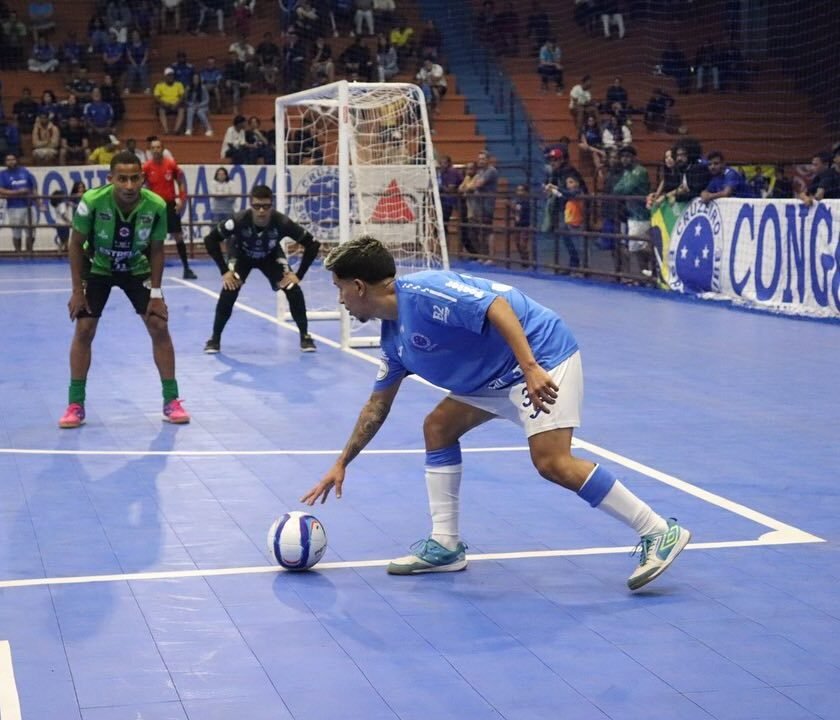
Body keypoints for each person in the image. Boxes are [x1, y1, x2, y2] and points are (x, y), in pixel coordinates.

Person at [301, 236, 691, 590]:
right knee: (438, 427)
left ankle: (658, 531)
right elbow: (377, 406)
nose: (339, 300)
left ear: (358, 286)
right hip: (491, 379)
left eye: (338, 288)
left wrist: (530, 367)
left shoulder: (425, 292)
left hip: (540, 357)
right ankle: (446, 545)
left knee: (552, 462)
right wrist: (342, 462)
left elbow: (497, 307)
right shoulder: (393, 340)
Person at [58, 151, 191, 429]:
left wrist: (156, 293)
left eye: (134, 179)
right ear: (111, 179)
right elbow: (75, 245)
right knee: (84, 329)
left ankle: (172, 400)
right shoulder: (92, 201)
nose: (129, 186)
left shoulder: (155, 205)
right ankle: (75, 404)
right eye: (122, 179)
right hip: (97, 267)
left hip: (136, 267)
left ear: (142, 178)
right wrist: (77, 289)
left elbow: (156, 249)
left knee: (159, 325)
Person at [202, 184, 320, 354]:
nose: (261, 211)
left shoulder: (282, 222)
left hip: (269, 257)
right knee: (229, 289)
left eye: (266, 206)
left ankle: (305, 336)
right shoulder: (238, 220)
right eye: (257, 207)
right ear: (251, 205)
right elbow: (210, 240)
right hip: (242, 256)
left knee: (293, 289)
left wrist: (298, 275)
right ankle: (215, 339)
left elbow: (313, 244)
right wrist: (224, 271)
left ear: (271, 206)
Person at [142, 137, 197, 279]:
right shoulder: (146, 167)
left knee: (178, 236)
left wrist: (182, 200)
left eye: (158, 147)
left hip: (169, 205)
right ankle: (148, 271)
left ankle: (186, 268)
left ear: (162, 149)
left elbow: (181, 182)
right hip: (154, 206)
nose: (155, 150)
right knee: (151, 239)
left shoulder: (171, 164)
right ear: (150, 150)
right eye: (153, 148)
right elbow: (140, 185)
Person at [0, 152, 38, 253]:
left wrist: (39, 202)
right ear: (5, 162)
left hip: (29, 205)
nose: (11, 161)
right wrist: (17, 192)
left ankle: (29, 252)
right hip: (14, 207)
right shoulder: (3, 174)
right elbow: (1, 190)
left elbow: (33, 187)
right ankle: (18, 253)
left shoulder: (24, 171)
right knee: (17, 232)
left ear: (16, 160)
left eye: (13, 159)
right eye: (8, 160)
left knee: (31, 231)